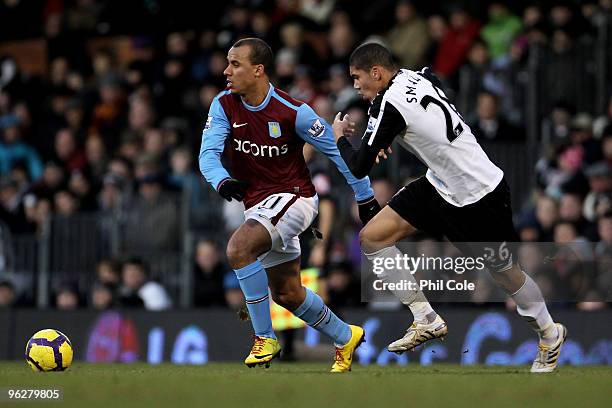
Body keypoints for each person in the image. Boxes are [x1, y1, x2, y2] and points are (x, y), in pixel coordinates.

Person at [332, 42, 566, 373]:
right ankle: (425, 318)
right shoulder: (419, 76)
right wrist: (386, 137)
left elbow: (357, 166)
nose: (355, 87)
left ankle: (549, 333)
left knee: (505, 274)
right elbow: (437, 91)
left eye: (357, 78)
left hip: (480, 194)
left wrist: (340, 136)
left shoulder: (386, 105)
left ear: (376, 72)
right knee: (372, 238)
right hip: (440, 185)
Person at [199, 38, 380, 372]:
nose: (226, 71)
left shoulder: (293, 112)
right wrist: (221, 180)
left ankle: (264, 337)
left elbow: (338, 152)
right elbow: (208, 153)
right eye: (227, 62)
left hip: (295, 197)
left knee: (238, 249)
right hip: (257, 206)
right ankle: (345, 335)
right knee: (287, 294)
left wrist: (365, 196)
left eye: (235, 64)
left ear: (258, 70)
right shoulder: (223, 105)